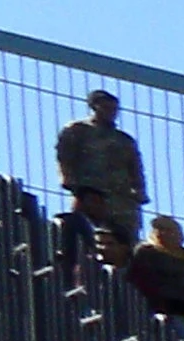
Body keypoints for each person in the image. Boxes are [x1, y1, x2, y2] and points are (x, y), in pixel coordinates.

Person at [53, 91, 144, 252]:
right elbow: (64, 155)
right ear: (94, 106)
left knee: (125, 239)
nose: (111, 112)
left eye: (114, 109)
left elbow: (135, 166)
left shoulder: (124, 139)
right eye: (106, 107)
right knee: (88, 234)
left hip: (122, 198)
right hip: (91, 193)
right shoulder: (78, 130)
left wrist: (139, 191)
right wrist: (67, 178)